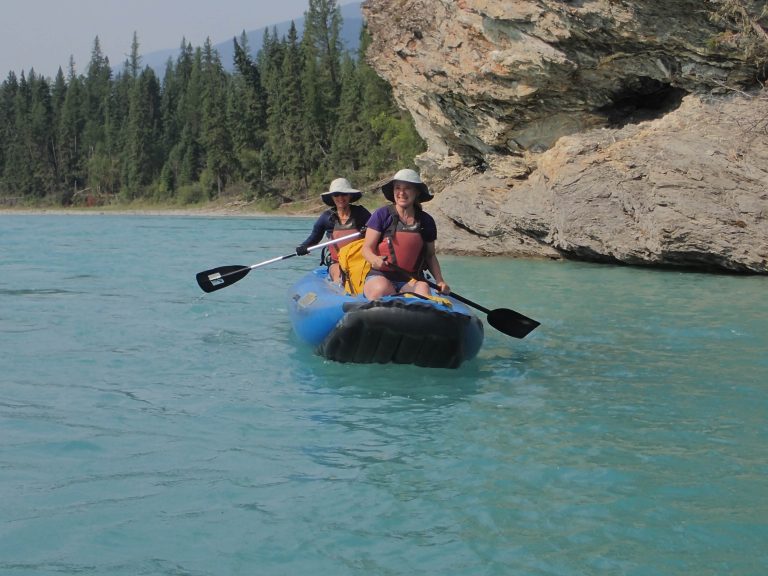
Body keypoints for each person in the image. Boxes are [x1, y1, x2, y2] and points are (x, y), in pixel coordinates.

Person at [361, 168, 450, 300]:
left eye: (407, 188)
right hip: (380, 276)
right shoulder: (382, 215)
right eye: (398, 188)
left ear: (416, 192)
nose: (401, 193)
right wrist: (375, 260)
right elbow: (366, 248)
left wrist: (439, 281)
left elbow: (430, 255)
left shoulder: (426, 221)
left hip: (411, 280)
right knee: (382, 288)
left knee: (423, 288)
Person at [295, 177, 371, 283]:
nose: (340, 198)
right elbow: (314, 238)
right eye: (336, 195)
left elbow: (376, 232)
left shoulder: (361, 213)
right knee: (340, 277)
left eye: (344, 194)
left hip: (359, 260)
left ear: (350, 196)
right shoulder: (326, 217)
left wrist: (368, 230)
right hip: (336, 262)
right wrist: (302, 247)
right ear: (332, 197)